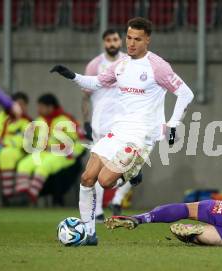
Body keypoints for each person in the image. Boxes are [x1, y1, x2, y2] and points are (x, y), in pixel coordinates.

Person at [51, 17, 194, 246]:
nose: (131, 43)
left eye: (137, 39)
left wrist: (174, 124)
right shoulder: (121, 65)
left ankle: (130, 174)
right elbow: (97, 82)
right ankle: (90, 234)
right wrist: (72, 76)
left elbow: (186, 94)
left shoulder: (158, 66)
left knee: (106, 181)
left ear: (147, 39)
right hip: (118, 130)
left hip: (142, 136)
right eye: (129, 37)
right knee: (87, 178)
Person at [81, 29, 138, 221]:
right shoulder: (95, 65)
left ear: (119, 41)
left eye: (115, 39)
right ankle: (96, 212)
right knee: (98, 167)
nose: (112, 43)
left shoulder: (130, 62)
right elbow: (86, 97)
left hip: (125, 123)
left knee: (132, 163)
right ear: (104, 42)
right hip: (102, 124)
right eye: (108, 40)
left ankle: (118, 199)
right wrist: (86, 122)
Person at [13, 93, 84, 204]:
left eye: (41, 106)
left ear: (50, 107)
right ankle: (22, 196)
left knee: (44, 166)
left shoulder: (66, 119)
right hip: (43, 152)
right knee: (23, 164)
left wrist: (73, 153)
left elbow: (79, 140)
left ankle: (32, 195)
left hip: (63, 154)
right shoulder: (38, 120)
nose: (38, 109)